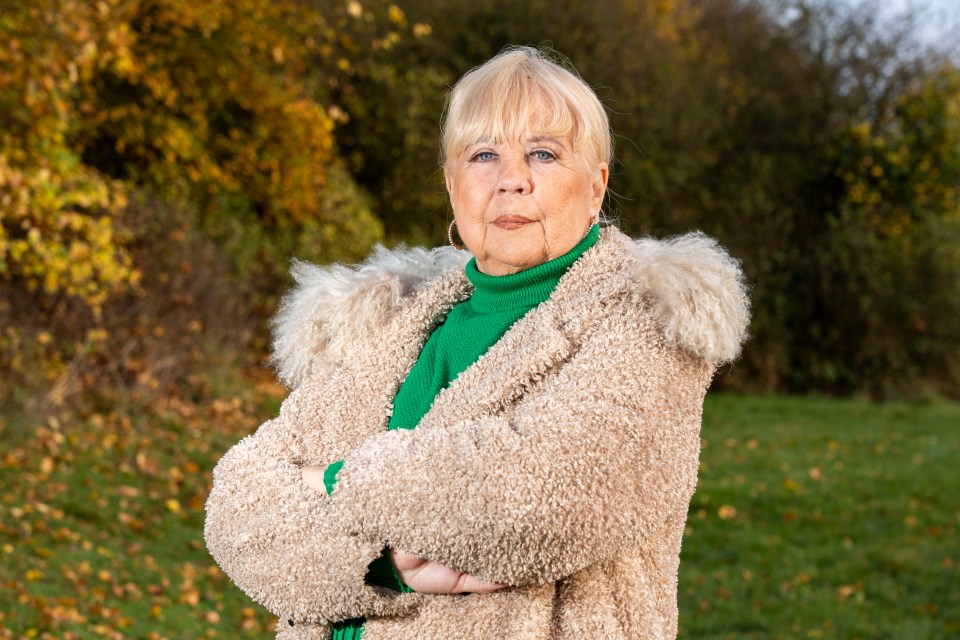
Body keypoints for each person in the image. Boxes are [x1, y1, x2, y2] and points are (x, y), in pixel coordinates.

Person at [204, 46, 750, 640]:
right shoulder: (388, 320)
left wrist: (327, 480)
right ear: (451, 185)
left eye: (543, 153)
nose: (512, 180)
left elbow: (543, 496)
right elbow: (239, 507)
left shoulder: (647, 316)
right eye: (484, 155)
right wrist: (387, 568)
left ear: (596, 186)